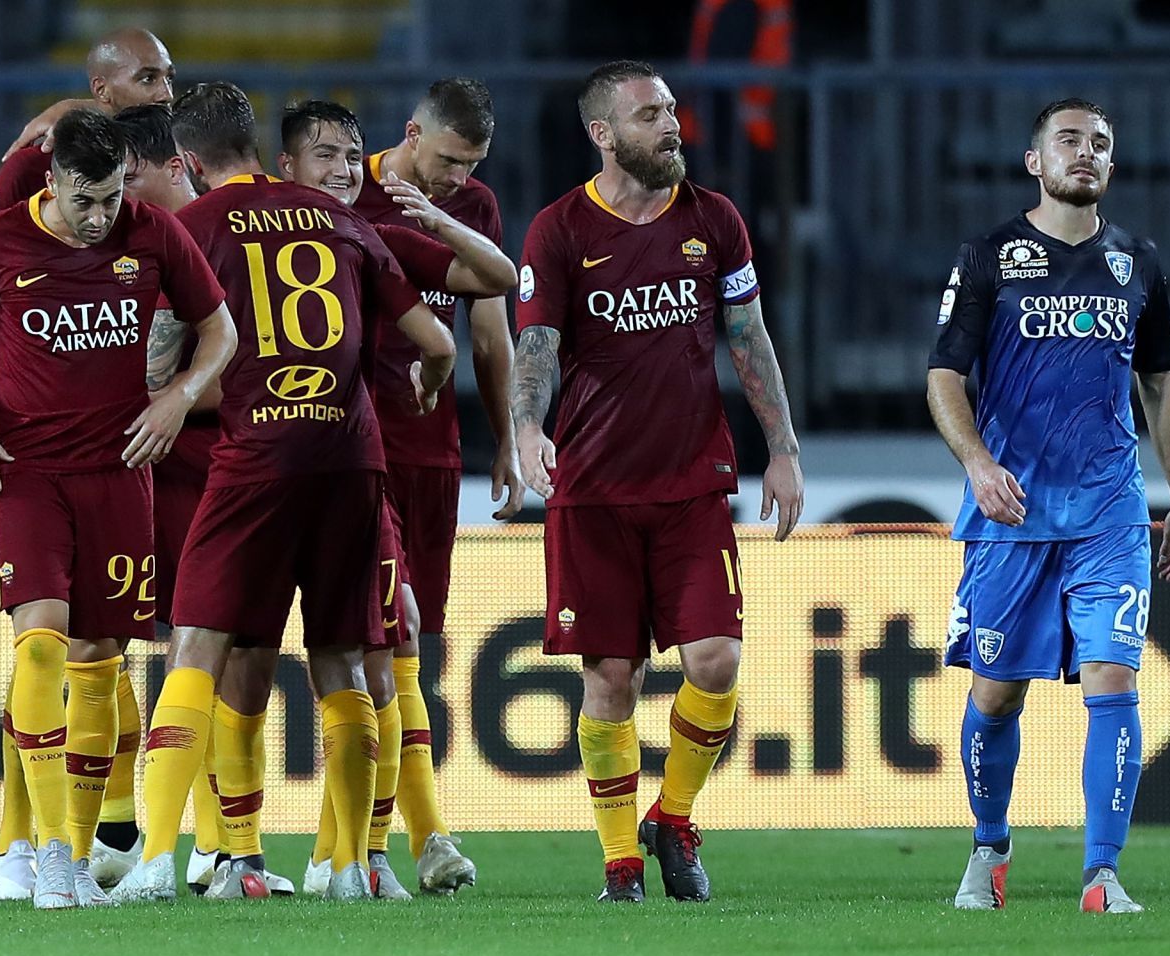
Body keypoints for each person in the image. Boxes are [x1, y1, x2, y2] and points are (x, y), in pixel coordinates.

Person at [110, 82, 455, 903]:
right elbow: (437, 342)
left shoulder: (191, 226)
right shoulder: (340, 216)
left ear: (188, 161)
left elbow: (160, 366)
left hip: (256, 458)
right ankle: (348, 867)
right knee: (343, 660)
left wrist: (161, 396)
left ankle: (157, 858)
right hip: (350, 460)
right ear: (259, 150)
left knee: (196, 645)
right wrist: (430, 386)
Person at [0, 107, 235, 910]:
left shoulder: (153, 234)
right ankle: (52, 854)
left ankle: (81, 843)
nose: (100, 218)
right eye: (84, 201)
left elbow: (220, 331)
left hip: (120, 471)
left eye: (111, 197)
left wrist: (178, 400)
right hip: (26, 472)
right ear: (52, 179)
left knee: (101, 662)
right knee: (39, 647)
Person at [513, 61, 804, 904]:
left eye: (672, 110)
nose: (672, 125)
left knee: (716, 661)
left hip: (691, 485)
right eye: (649, 115)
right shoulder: (560, 229)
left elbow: (748, 337)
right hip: (594, 491)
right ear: (603, 134)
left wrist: (780, 445)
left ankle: (672, 817)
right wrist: (529, 425)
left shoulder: (713, 219)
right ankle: (620, 862)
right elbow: (536, 346)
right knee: (612, 680)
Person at [930, 99, 1170, 915]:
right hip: (1012, 515)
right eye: (1070, 140)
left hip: (1110, 511)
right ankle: (990, 850)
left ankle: (1101, 874)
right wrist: (976, 464)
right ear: (1033, 161)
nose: (1086, 153)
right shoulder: (990, 258)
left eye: (1101, 145)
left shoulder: (1137, 263)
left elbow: (1160, 379)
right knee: (996, 694)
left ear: (1110, 169)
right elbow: (944, 376)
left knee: (1114, 678)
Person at [277, 98, 516, 898]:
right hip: (348, 456)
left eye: (471, 168)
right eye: (449, 162)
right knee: (387, 638)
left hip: (431, 454)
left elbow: (489, 320)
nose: (459, 179)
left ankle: (339, 851)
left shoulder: (462, 210)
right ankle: (415, 839)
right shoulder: (341, 204)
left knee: (407, 646)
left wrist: (509, 439)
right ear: (410, 137)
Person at [0, 28, 175, 901]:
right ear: (102, 88)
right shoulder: (31, 169)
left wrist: (168, 386)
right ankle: (26, 843)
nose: (166, 86)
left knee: (112, 655)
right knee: (44, 649)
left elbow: (208, 310)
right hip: (46, 453)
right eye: (148, 75)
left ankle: (108, 840)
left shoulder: (164, 183)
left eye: (168, 72)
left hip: (137, 446)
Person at [0, 26, 176, 216]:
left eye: (169, 79)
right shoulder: (32, 167)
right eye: (148, 79)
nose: (167, 95)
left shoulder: (185, 147)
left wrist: (71, 107)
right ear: (101, 90)